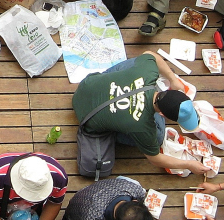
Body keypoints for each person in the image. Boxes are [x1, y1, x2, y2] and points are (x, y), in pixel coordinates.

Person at [71, 50, 213, 176]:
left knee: (137, 63)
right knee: (158, 138)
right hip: (87, 118)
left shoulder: (147, 73)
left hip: (86, 87)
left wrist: (173, 79)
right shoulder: (143, 126)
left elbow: (150, 55)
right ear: (162, 115)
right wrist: (188, 164)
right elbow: (155, 159)